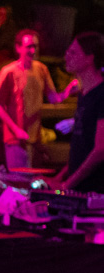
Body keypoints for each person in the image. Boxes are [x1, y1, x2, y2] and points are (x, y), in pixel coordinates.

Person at [0, 30, 69, 170]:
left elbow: (54, 98)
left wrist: (68, 90)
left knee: (34, 178)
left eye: (35, 46)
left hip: (35, 138)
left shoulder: (41, 69)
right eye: (29, 46)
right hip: (15, 139)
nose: (33, 50)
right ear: (18, 48)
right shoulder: (8, 72)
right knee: (19, 177)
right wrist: (15, 129)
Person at [54, 33, 104, 193]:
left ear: (90, 58)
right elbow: (82, 148)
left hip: (94, 190)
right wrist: (58, 179)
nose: (66, 56)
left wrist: (68, 184)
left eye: (73, 52)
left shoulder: (101, 94)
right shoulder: (84, 94)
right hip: (79, 187)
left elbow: (100, 150)